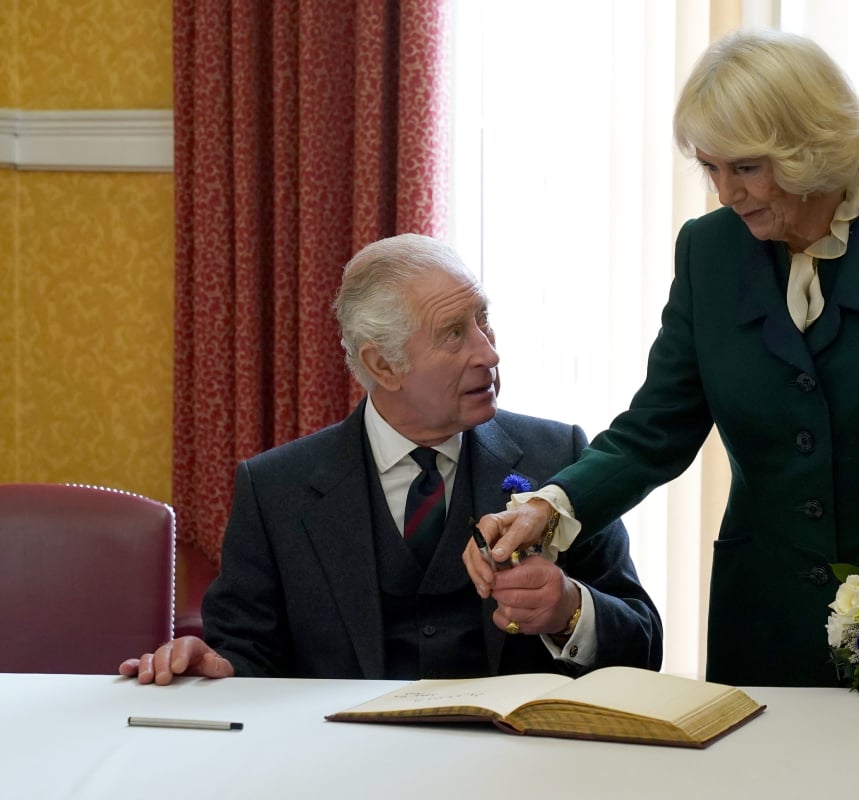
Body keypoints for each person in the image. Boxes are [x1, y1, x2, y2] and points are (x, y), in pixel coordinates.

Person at [465, 29, 859, 799]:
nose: (726, 192)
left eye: (747, 168)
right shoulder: (710, 251)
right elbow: (657, 427)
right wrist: (550, 505)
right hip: (768, 625)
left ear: (811, 146)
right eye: (711, 168)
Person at [120, 233, 662, 685]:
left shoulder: (561, 458)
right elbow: (247, 657)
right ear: (384, 365)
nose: (489, 353)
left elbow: (645, 647)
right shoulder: (275, 489)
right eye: (454, 334)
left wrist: (569, 610)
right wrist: (212, 670)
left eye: (483, 321)